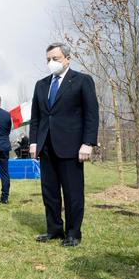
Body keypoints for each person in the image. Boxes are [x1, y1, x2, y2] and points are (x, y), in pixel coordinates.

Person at [29, 42, 98, 247]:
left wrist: (88, 143)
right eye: (48, 59)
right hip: (46, 146)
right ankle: (54, 229)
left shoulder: (82, 81)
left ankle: (73, 233)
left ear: (67, 59)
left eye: (55, 59)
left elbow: (91, 115)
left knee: (72, 192)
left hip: (71, 147)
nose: (51, 63)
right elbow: (36, 117)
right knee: (49, 192)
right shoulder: (41, 85)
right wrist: (33, 142)